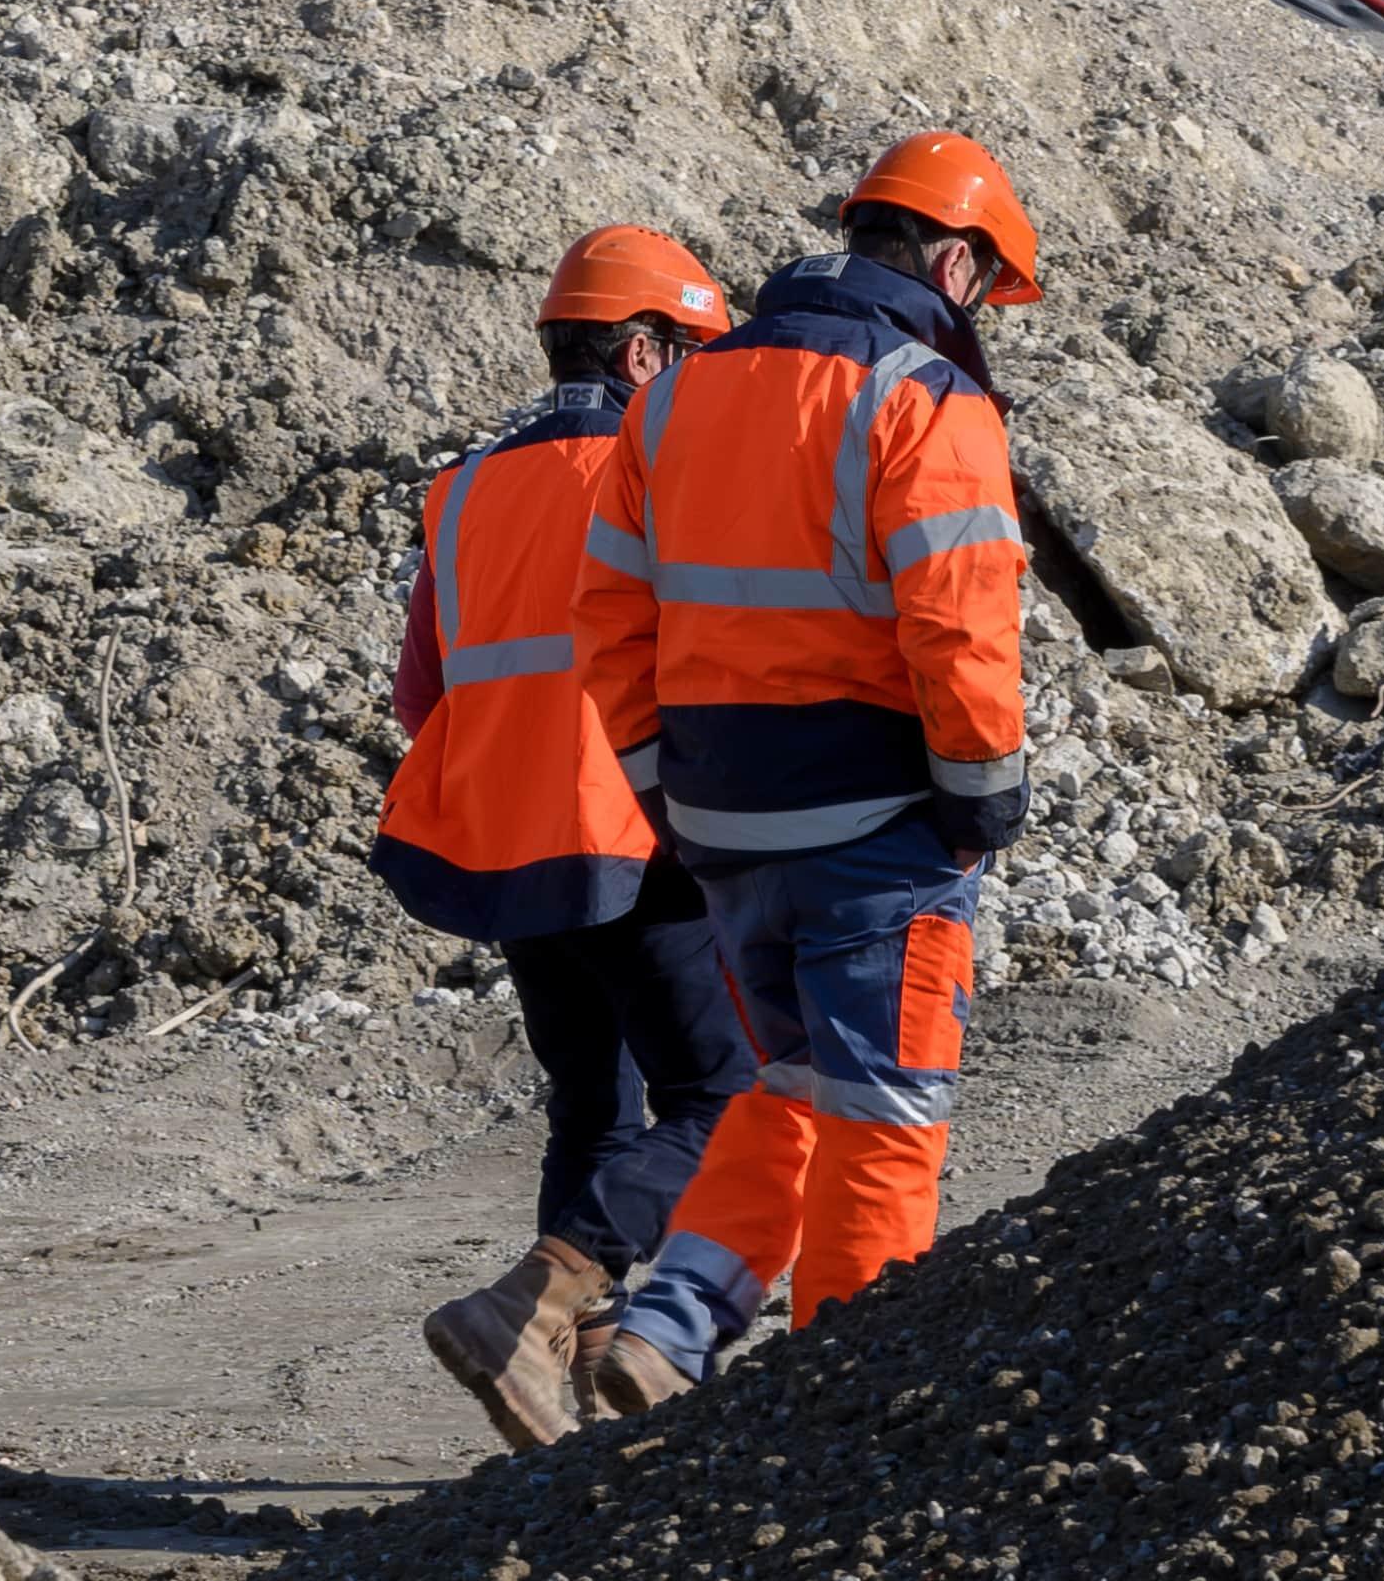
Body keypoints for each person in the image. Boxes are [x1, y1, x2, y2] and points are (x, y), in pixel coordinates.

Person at [568, 132, 1040, 1410]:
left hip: (722, 821)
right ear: (952, 257)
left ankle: (666, 1330)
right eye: (986, 289)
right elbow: (957, 622)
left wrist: (663, 789)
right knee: (884, 1113)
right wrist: (981, 792)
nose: (982, 315)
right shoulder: (922, 399)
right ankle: (848, 1404)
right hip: (872, 821)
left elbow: (607, 621)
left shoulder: (673, 395)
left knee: (781, 1093)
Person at [378, 226, 758, 1449]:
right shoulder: (662, 469)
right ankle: (533, 1302)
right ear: (645, 351)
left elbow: (419, 693)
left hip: (500, 835)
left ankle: (583, 1408)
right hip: (632, 827)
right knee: (731, 1097)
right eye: (697, 352)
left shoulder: (466, 486)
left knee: (592, 1105)